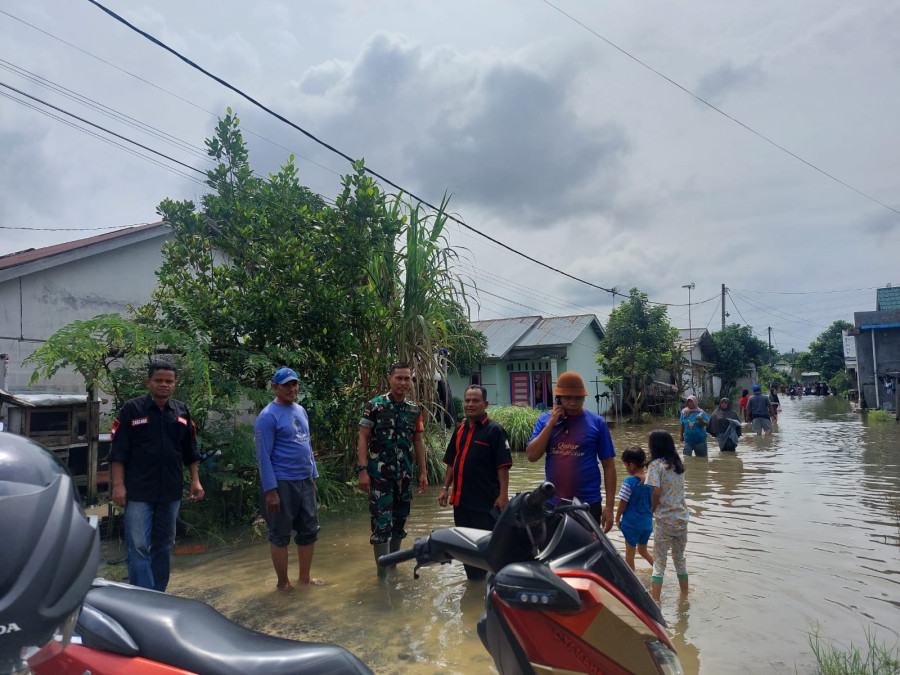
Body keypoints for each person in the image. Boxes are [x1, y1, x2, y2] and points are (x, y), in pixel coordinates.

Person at [109, 362, 204, 592]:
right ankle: (143, 596)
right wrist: (118, 485)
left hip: (170, 490)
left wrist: (195, 480)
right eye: (158, 380)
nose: (164, 384)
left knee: (164, 544)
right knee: (139, 545)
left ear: (175, 384)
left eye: (168, 381)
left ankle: (158, 593)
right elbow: (118, 451)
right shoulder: (132, 409)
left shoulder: (181, 412)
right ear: (148, 382)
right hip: (139, 490)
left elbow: (190, 451)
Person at [255, 367, 325, 592]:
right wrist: (271, 490)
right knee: (280, 535)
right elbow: (263, 456)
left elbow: (307, 445)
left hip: (304, 481)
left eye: (294, 384)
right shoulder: (267, 416)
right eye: (286, 385)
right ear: (275, 387)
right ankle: (283, 583)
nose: (292, 388)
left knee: (309, 531)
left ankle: (304, 578)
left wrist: (313, 477)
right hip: (281, 482)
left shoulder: (301, 411)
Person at [357, 361, 428, 578]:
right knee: (381, 526)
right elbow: (362, 437)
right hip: (379, 476)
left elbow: (418, 441)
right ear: (390, 379)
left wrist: (423, 472)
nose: (403, 382)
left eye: (407, 378)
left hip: (404, 476)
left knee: (399, 522)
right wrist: (362, 470)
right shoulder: (374, 406)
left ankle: (393, 569)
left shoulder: (414, 409)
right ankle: (383, 578)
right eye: (399, 378)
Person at [525, 371, 617, 532]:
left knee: (587, 553)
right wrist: (551, 424)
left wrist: (609, 508)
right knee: (553, 553)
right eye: (567, 398)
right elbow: (532, 456)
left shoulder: (597, 423)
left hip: (587, 504)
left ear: (583, 398)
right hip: (553, 502)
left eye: (577, 398)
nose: (573, 403)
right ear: (558, 399)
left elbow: (608, 465)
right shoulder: (545, 420)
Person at [439, 385, 513, 580]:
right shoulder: (460, 430)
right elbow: (451, 463)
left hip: (486, 505)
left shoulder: (494, 431)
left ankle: (490, 587)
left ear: (485, 404)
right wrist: (445, 488)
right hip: (461, 504)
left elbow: (503, 467)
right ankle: (473, 586)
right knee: (465, 550)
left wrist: (503, 496)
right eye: (467, 401)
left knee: (487, 550)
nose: (470, 404)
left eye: (475, 401)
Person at [646, 430, 689, 603]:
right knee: (679, 560)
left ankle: (656, 601)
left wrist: (651, 510)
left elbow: (656, 491)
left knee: (659, 564)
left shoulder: (655, 465)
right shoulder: (678, 464)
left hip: (664, 520)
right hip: (682, 518)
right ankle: (685, 597)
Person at [615, 446, 654, 572]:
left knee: (629, 556)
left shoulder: (629, 481)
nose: (626, 468)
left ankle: (633, 585)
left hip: (631, 525)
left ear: (631, 465)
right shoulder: (651, 480)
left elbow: (623, 502)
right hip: (647, 524)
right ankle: (660, 572)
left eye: (625, 465)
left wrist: (617, 518)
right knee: (643, 551)